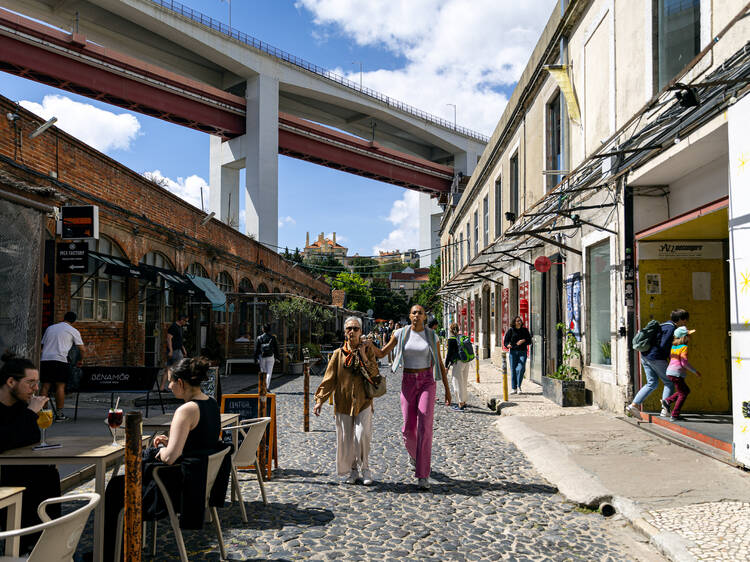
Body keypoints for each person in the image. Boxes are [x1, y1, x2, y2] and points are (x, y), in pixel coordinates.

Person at [103, 356, 225, 560]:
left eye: (170, 381)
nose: (168, 386)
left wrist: (160, 447)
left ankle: (109, 554)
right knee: (118, 486)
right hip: (199, 482)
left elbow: (169, 458)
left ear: (181, 383)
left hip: (176, 488)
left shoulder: (186, 410)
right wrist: (171, 441)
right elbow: (200, 441)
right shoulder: (211, 403)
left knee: (116, 488)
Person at [376, 304, 450, 490]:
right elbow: (383, 353)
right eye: (414, 312)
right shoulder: (400, 333)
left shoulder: (432, 336)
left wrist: (448, 390)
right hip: (408, 381)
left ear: (425, 317)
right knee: (408, 429)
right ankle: (415, 455)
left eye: (420, 313)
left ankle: (423, 474)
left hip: (427, 381)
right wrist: (368, 346)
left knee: (425, 424)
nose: (417, 315)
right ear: (409, 316)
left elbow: (439, 363)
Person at [0, 353, 61, 554]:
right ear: (10, 382)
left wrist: (29, 413)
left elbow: (30, 438)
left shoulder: (20, 406)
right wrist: (30, 413)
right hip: (4, 475)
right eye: (30, 383)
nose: (36, 388)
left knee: (48, 473)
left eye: (37, 383)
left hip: (17, 470)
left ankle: (46, 543)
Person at [314, 316, 380, 486]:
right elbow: (329, 379)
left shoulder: (368, 350)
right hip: (343, 403)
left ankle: (365, 468)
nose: (352, 331)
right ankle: (353, 470)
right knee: (347, 439)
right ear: (345, 332)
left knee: (362, 435)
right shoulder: (338, 354)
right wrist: (320, 400)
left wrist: (364, 355)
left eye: (355, 329)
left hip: (364, 401)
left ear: (361, 332)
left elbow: (374, 374)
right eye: (349, 329)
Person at [627, 309, 689, 418]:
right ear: (680, 320)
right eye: (684, 320)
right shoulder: (671, 329)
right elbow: (664, 344)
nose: (685, 323)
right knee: (669, 382)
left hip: (645, 356)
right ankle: (665, 409)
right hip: (656, 358)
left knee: (652, 383)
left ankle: (634, 405)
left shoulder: (664, 325)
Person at [40, 311, 84, 421]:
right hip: (60, 360)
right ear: (73, 321)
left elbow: (42, 345)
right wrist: (80, 360)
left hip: (45, 359)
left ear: (64, 318)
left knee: (45, 386)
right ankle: (59, 415)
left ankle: (43, 413)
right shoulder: (73, 331)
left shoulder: (50, 328)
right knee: (60, 386)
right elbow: (82, 349)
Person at [662, 327, 701, 422]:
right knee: (683, 393)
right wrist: (695, 371)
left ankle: (668, 401)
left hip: (670, 372)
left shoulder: (674, 347)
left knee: (685, 391)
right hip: (676, 373)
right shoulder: (684, 348)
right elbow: (684, 363)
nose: (690, 337)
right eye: (688, 335)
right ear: (684, 337)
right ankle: (675, 415)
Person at [503, 316, 532, 394]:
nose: (519, 322)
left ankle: (519, 386)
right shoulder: (511, 331)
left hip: (522, 352)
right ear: (514, 322)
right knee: (513, 370)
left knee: (520, 368)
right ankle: (514, 388)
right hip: (513, 352)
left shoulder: (525, 330)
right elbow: (505, 341)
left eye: (520, 321)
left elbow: (530, 341)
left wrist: (523, 341)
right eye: (517, 321)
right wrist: (507, 345)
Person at [445, 322, 469, 411]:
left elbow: (449, 354)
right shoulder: (462, 337)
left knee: (457, 383)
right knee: (464, 382)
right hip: (466, 361)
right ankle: (464, 401)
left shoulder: (451, 339)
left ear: (450, 330)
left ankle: (460, 403)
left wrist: (446, 366)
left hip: (458, 362)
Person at [163, 314, 189, 391]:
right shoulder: (173, 327)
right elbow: (169, 339)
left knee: (169, 369)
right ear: (182, 320)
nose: (186, 323)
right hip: (175, 351)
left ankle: (163, 387)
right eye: (186, 321)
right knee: (179, 369)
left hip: (178, 350)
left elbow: (179, 341)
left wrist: (183, 349)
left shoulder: (179, 328)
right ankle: (177, 387)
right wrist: (170, 350)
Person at [254, 323, 279, 391]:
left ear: (263, 329)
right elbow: (276, 348)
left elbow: (256, 349)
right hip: (270, 356)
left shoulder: (259, 338)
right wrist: (277, 357)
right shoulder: (273, 337)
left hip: (262, 356)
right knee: (269, 372)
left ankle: (263, 386)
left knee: (263, 372)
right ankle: (266, 387)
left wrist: (255, 358)